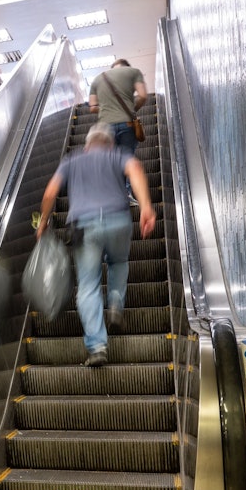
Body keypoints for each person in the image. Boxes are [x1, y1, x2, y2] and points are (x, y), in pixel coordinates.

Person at [35, 124, 155, 367]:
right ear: (110, 143)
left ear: (87, 144)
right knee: (119, 262)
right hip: (118, 219)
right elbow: (135, 169)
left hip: (84, 225)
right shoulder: (119, 155)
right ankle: (115, 304)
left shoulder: (72, 160)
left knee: (88, 285)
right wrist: (146, 207)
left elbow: (50, 193)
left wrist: (44, 221)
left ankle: (97, 347)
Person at [88, 58, 148, 160]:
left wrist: (106, 108)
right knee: (127, 160)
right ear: (127, 66)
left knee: (110, 161)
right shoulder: (134, 72)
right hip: (127, 123)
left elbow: (92, 108)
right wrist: (132, 109)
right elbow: (142, 96)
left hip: (105, 126)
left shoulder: (97, 79)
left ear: (112, 68)